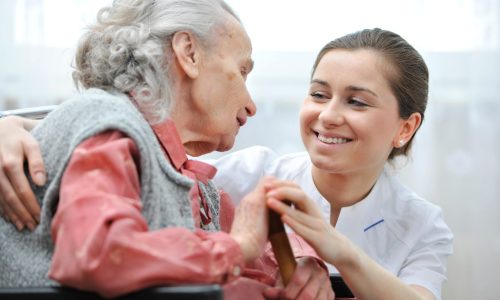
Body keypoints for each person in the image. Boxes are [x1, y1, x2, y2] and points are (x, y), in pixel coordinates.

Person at [0, 28, 452, 299]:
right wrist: (10, 127)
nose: (328, 115)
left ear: (405, 128)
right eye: (318, 94)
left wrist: (332, 253)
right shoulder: (248, 174)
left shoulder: (425, 226)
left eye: (356, 101)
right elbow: (129, 138)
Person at [0, 0, 332, 299]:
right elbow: (99, 253)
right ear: (189, 53)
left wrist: (301, 263)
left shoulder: (196, 185)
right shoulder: (107, 126)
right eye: (241, 70)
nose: (251, 105)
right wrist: (236, 246)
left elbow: (251, 249)